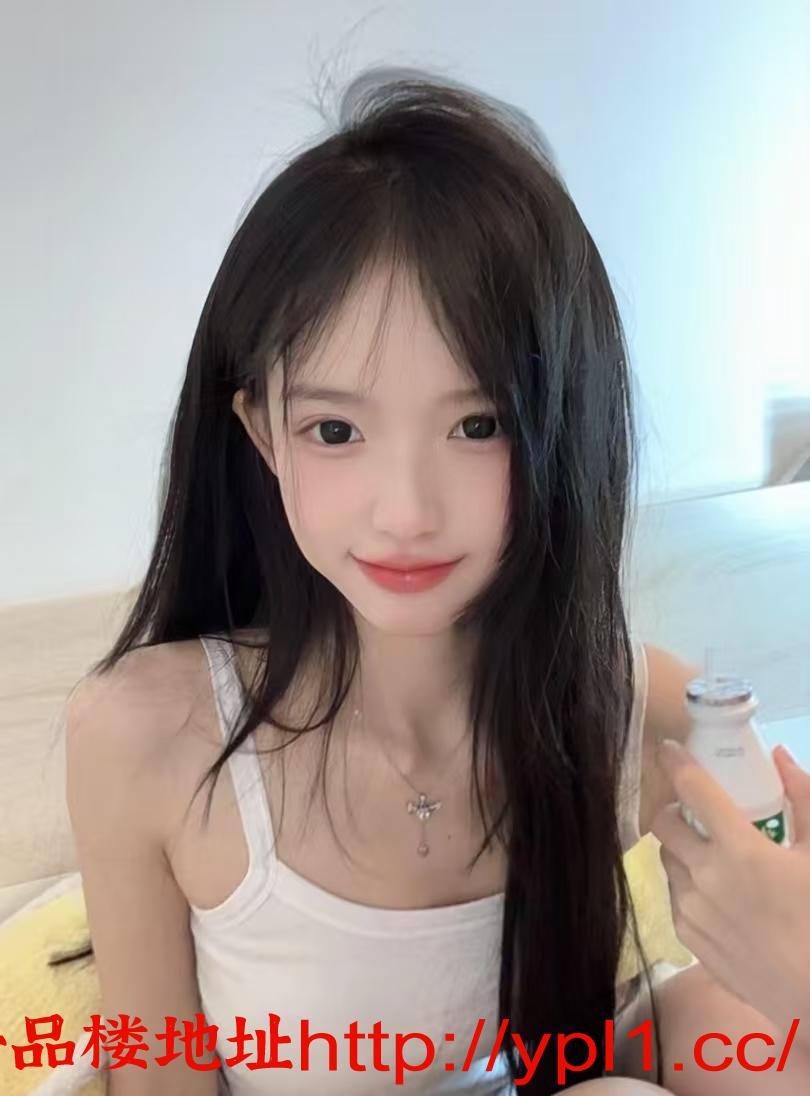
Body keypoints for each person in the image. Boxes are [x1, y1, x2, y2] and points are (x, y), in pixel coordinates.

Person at [60, 67, 808, 1095]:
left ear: (562, 430)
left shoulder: (636, 710)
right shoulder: (147, 736)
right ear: (262, 435)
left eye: (478, 424)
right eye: (336, 430)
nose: (405, 509)